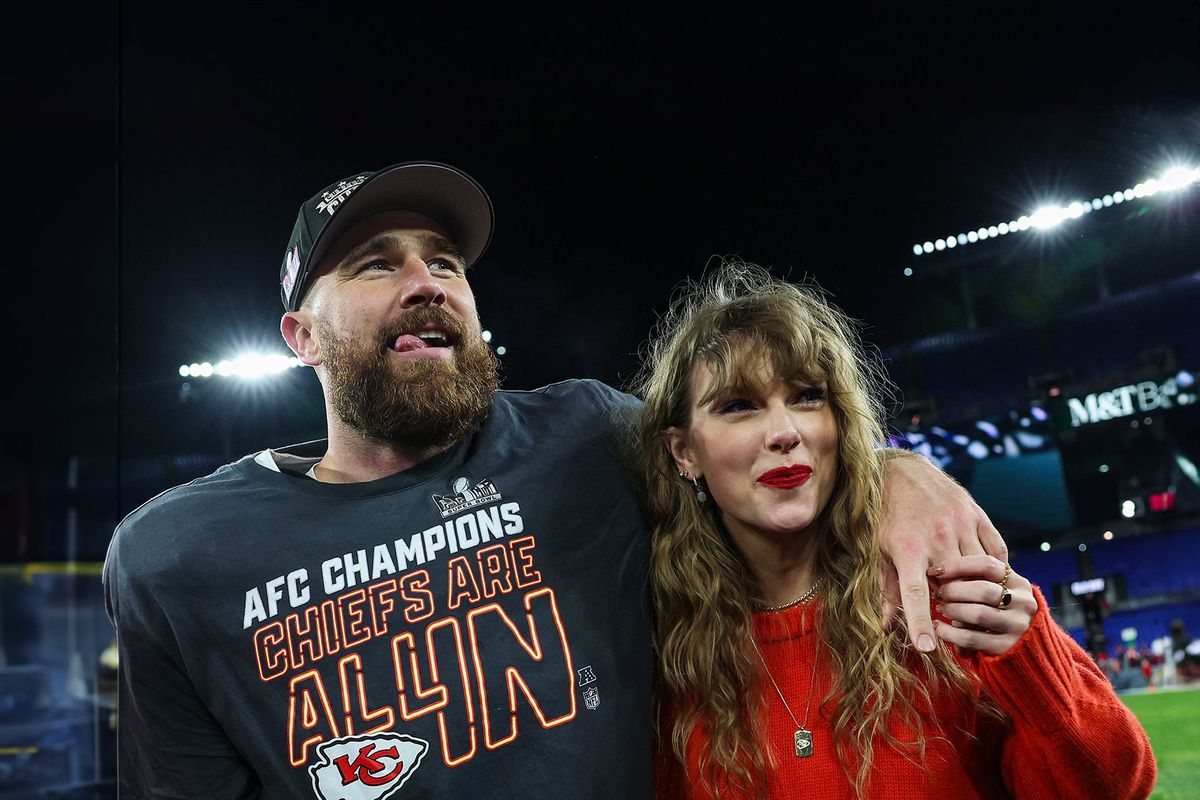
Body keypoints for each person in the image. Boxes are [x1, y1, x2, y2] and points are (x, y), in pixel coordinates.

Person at [105, 162, 1007, 798]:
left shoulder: (587, 435)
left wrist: (897, 468)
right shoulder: (177, 557)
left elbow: (758, 448)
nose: (427, 281)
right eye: (378, 263)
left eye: (445, 262)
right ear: (299, 337)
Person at [636, 262, 1156, 799]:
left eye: (807, 396)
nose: (784, 432)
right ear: (684, 453)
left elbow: (1116, 786)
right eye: (739, 406)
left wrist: (1029, 659)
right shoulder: (662, 653)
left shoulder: (931, 591)